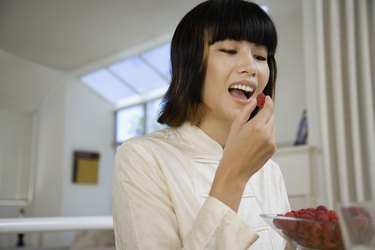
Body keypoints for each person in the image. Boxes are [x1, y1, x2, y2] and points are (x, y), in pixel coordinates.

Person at [112, 0, 292, 249]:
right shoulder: (141, 157)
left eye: (260, 56)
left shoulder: (270, 169)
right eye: (229, 50)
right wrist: (235, 175)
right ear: (190, 63)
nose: (251, 68)